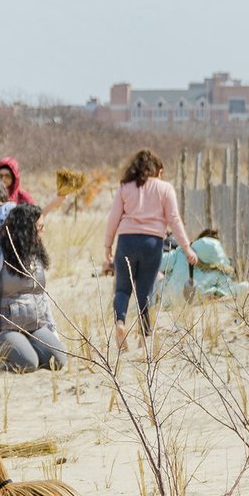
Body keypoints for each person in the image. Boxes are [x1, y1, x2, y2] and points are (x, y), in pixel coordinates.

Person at [104, 149, 195, 350]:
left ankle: (120, 323)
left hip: (126, 241)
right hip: (152, 243)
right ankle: (144, 336)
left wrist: (107, 245)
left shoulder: (125, 188)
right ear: (157, 170)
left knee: (122, 289)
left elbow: (113, 218)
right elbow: (174, 219)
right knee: (144, 291)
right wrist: (187, 248)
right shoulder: (165, 188)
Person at [0, 204, 66, 373]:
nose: (43, 231)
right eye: (39, 227)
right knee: (27, 363)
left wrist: (52, 328)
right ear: (25, 228)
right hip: (0, 329)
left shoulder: (34, 254)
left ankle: (25, 348)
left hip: (33, 326)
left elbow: (41, 295)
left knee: (57, 360)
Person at [158, 228, 247, 305]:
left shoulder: (180, 254)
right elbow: (233, 290)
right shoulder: (217, 273)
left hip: (167, 302)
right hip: (192, 305)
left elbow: (158, 263)